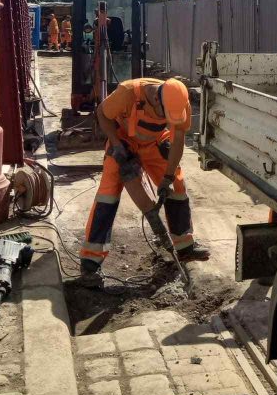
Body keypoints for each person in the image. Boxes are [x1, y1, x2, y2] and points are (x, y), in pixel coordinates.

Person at [80, 78, 210, 284]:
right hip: (124, 140)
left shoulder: (178, 100)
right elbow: (102, 114)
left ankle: (185, 247)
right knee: (108, 194)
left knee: (177, 185)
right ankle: (90, 263)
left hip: (154, 142)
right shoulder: (127, 92)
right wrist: (116, 145)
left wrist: (167, 177)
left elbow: (177, 141)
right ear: (158, 103)